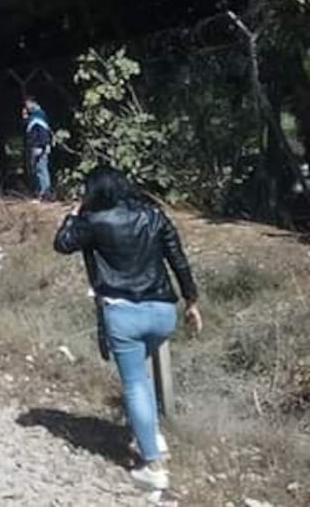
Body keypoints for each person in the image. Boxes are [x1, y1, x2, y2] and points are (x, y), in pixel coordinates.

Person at [53, 166, 203, 492]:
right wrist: (191, 300)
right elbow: (177, 257)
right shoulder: (153, 214)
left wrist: (73, 214)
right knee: (143, 380)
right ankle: (153, 437)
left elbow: (62, 244)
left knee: (135, 383)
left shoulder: (93, 222)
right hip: (163, 312)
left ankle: (152, 464)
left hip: (124, 314)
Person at [23, 97, 53, 199]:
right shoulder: (34, 116)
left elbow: (43, 133)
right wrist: (25, 118)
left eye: (27, 105)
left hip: (39, 147)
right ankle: (42, 192)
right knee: (39, 170)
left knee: (42, 170)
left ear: (33, 103)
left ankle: (45, 193)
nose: (26, 107)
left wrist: (42, 146)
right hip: (36, 146)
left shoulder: (38, 116)